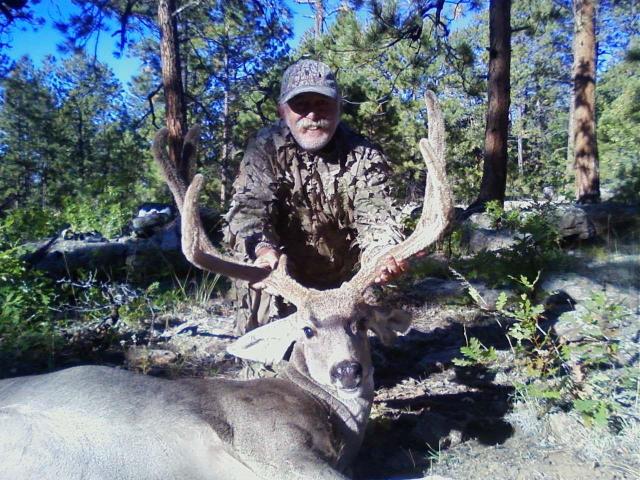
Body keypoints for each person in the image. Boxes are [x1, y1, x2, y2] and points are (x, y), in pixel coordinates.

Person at [225, 59, 407, 334]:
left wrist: (380, 256)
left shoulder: (364, 155)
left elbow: (378, 219)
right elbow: (248, 215)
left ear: (339, 108)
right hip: (285, 279)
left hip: (345, 287)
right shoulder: (264, 149)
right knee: (256, 274)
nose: (312, 115)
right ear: (282, 111)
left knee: (372, 356)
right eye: (300, 105)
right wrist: (263, 251)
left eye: (322, 103)